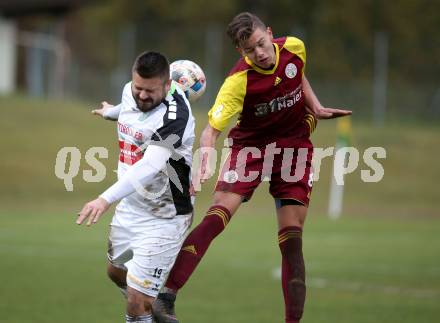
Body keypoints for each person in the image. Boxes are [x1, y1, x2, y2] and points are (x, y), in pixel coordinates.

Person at [151, 12, 352, 323]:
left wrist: (315, 106)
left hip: (294, 148)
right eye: (250, 50)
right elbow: (211, 130)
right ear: (240, 52)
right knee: (218, 215)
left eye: (261, 43)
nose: (259, 53)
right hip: (251, 149)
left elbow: (299, 73)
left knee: (292, 238)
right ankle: (166, 296)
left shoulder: (295, 47)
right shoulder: (238, 82)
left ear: (269, 33)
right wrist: (205, 158)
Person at [76, 51, 196, 323]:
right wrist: (111, 113)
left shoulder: (176, 117)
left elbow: (150, 166)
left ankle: (143, 307)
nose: (142, 95)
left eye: (150, 91)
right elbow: (128, 106)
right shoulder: (131, 91)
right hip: (132, 207)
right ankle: (151, 313)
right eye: (138, 87)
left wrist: (104, 199)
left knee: (136, 302)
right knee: (115, 272)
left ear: (168, 86)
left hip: (165, 215)